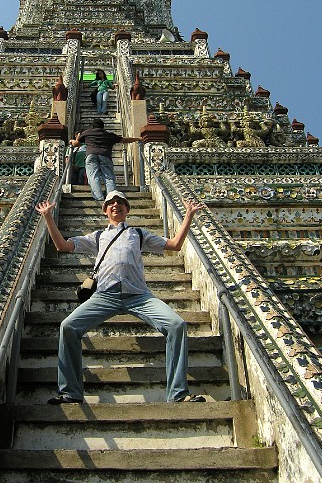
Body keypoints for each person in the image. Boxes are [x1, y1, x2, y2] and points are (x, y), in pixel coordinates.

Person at [35, 190, 206, 405]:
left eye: (120, 203)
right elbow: (63, 246)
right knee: (68, 326)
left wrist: (188, 216)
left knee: (176, 324)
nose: (116, 205)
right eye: (111, 203)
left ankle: (178, 393)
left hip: (139, 296)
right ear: (105, 211)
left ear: (127, 210)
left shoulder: (138, 234)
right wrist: (48, 217)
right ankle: (70, 392)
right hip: (105, 296)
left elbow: (174, 245)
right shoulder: (97, 236)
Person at [70, 118, 141, 202]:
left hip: (91, 155)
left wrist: (72, 141)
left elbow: (76, 144)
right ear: (103, 127)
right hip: (105, 155)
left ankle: (98, 198)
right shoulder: (109, 135)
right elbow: (124, 140)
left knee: (93, 176)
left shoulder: (87, 133)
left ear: (92, 127)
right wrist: (138, 139)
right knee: (109, 177)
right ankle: (111, 198)